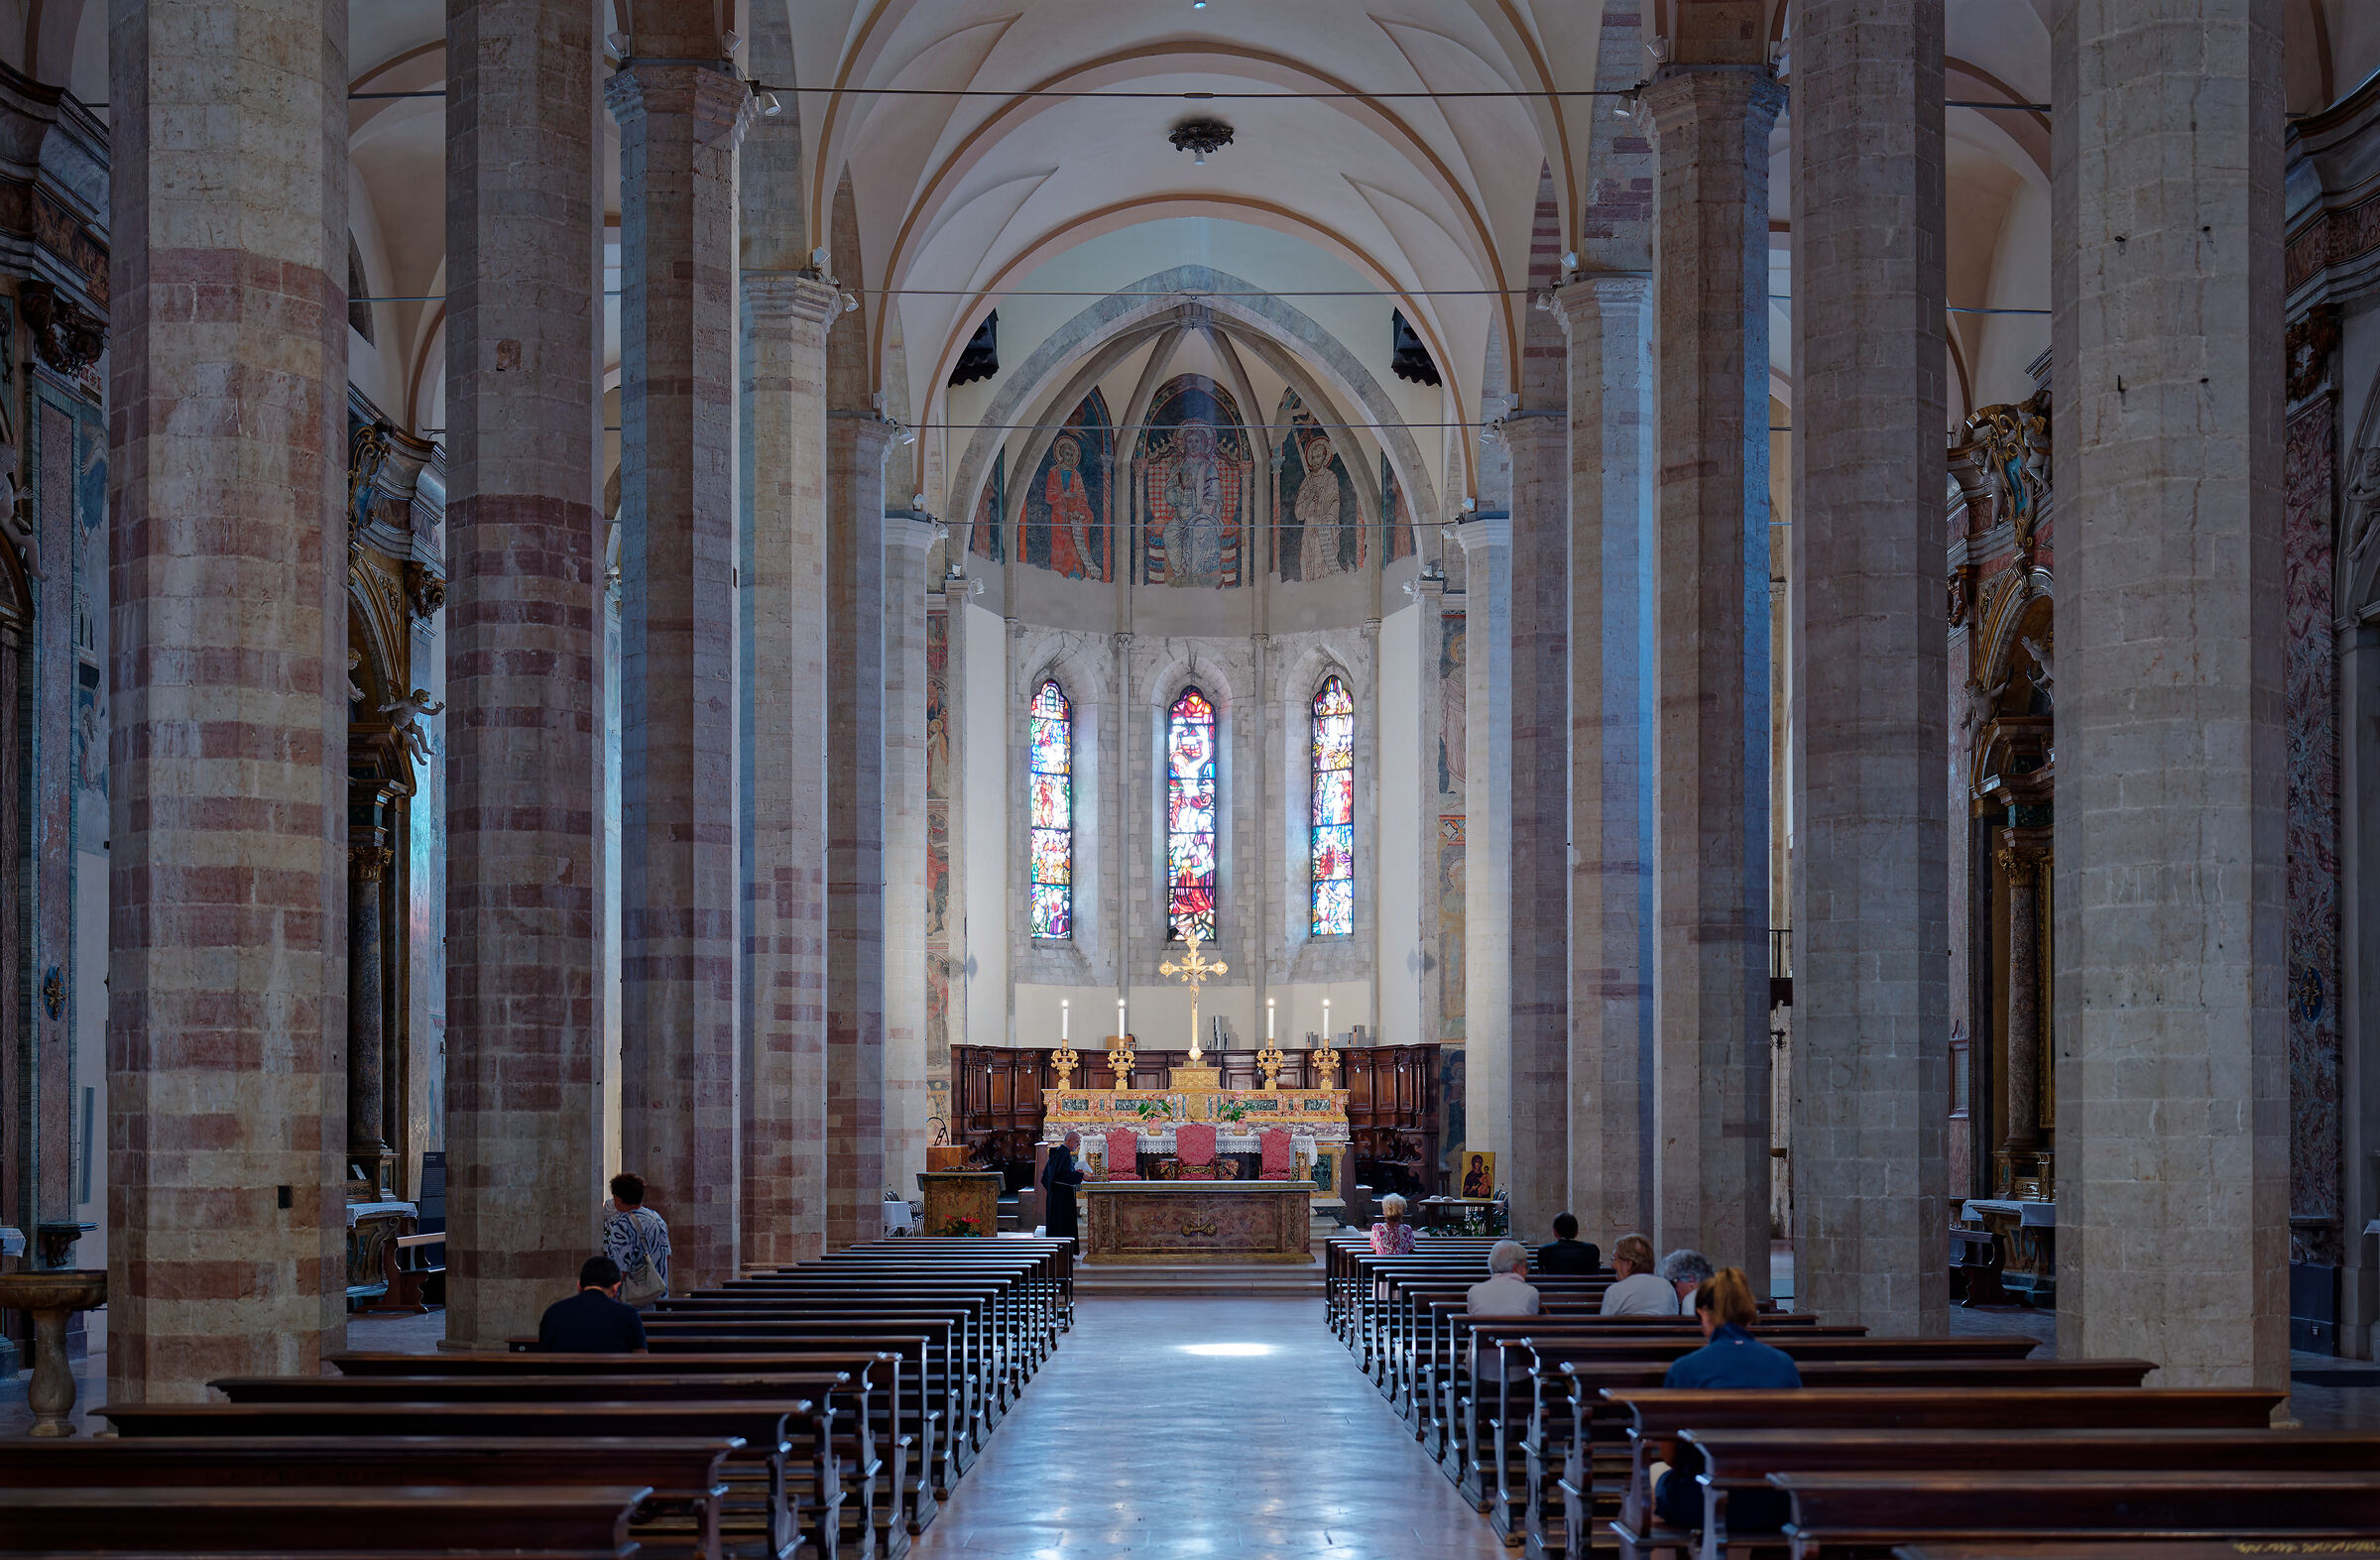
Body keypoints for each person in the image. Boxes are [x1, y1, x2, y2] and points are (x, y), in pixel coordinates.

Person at [1649, 1267, 1800, 1532]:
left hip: (1703, 1497)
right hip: (1774, 1501)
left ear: (1706, 1313)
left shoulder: (1686, 1368)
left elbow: (1669, 1455)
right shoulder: (1783, 1364)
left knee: (1655, 1481)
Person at [536, 1256, 648, 1353]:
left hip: (565, 1377)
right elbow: (641, 1359)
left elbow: (543, 1355)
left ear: (579, 1286)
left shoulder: (553, 1313)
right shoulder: (628, 1314)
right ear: (615, 1288)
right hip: (612, 1377)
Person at [602, 1171, 671, 1311]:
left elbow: (620, 1269)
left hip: (635, 1303)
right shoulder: (657, 1219)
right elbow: (667, 1256)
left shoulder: (623, 1225)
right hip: (659, 1297)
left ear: (619, 1198)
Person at [1601, 1234, 1679, 1316]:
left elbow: (1605, 1325)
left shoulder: (1615, 1291)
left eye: (1614, 1259)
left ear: (1628, 1263)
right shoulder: (1667, 1287)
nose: (1612, 1265)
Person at [1465, 1239, 1540, 1317]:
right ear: (1515, 1268)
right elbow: (1531, 1323)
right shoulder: (1530, 1292)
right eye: (1525, 1266)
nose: (1526, 1271)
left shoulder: (1474, 1291)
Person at [1042, 1131, 1087, 1241]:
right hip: (1061, 1197)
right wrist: (1081, 1175)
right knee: (1063, 1226)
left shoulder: (1060, 1152)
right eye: (1076, 1142)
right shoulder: (1063, 1153)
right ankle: (1063, 1255)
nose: (1078, 1144)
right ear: (1069, 1140)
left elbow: (1059, 1174)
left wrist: (1075, 1173)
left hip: (1058, 1194)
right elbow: (1064, 1175)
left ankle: (1064, 1254)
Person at [1369, 1192, 1416, 1257]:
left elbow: (1374, 1246)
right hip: (1402, 1265)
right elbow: (1411, 1246)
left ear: (1385, 1211)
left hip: (1382, 1265)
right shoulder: (1407, 1229)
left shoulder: (1377, 1228)